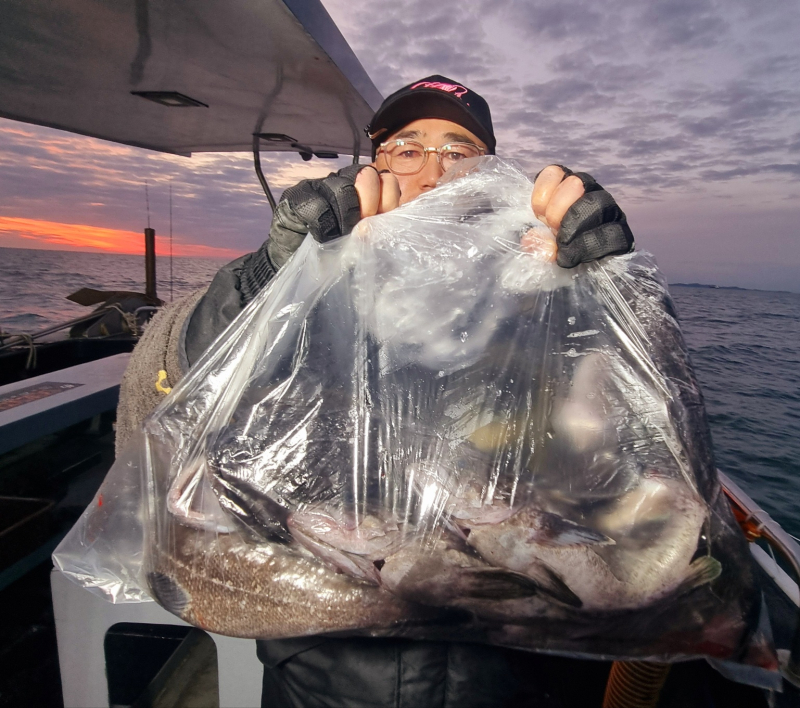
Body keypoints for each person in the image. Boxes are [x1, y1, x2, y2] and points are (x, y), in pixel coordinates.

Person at [115, 75, 634, 707]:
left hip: (517, 670)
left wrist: (604, 288)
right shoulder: (310, 290)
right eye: (408, 149)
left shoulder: (540, 299)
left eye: (460, 151)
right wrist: (263, 278)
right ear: (376, 167)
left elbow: (626, 437)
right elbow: (171, 384)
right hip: (324, 670)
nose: (433, 171)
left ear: (493, 176)